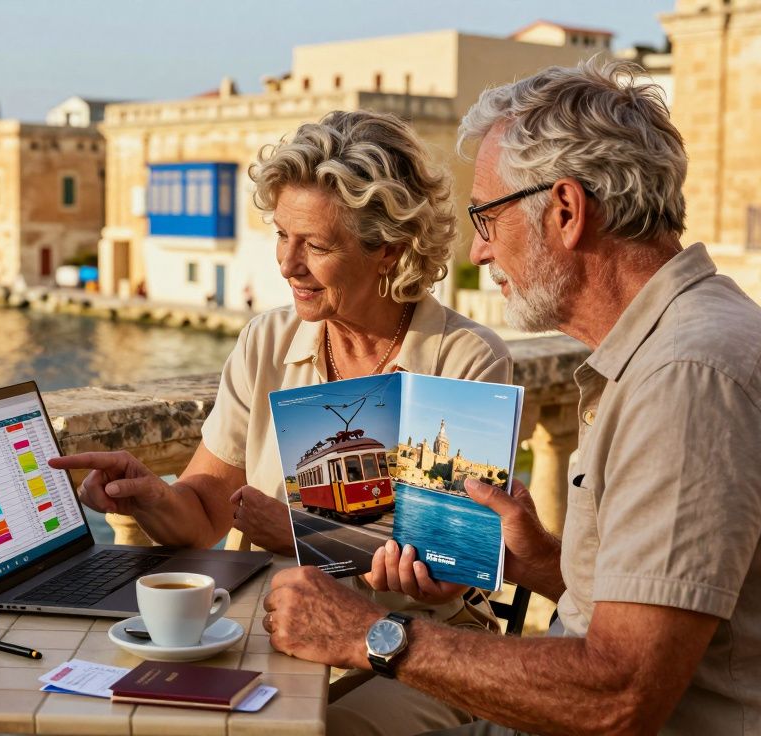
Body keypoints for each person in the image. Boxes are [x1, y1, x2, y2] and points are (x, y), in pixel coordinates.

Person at [261, 60, 761, 735]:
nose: (479, 252)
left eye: (487, 219)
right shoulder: (675, 347)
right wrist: (544, 563)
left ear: (565, 210)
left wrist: (370, 634)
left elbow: (619, 698)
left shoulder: (689, 378)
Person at [49, 111, 513, 716]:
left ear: (389, 251)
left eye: (316, 245)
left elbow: (447, 572)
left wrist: (298, 534)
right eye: (280, 234)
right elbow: (206, 513)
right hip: (274, 637)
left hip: (415, 651)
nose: (286, 263)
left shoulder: (465, 358)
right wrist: (154, 498)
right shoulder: (266, 341)